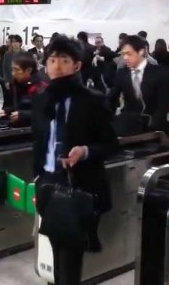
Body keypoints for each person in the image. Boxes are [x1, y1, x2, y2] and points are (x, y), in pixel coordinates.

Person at [32, 36, 118, 285]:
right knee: (55, 246)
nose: (56, 66)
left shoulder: (92, 100)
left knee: (70, 256)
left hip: (78, 186)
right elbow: (38, 141)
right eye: (52, 60)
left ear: (77, 65)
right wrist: (37, 176)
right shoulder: (42, 99)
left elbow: (111, 144)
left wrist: (86, 151)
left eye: (64, 60)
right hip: (47, 182)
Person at [109, 35, 169, 136]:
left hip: (154, 129)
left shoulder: (160, 73)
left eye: (129, 54)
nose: (125, 58)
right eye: (123, 54)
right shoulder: (121, 74)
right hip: (128, 127)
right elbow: (111, 99)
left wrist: (152, 125)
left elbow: (163, 105)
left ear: (141, 51)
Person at [1, 52, 45, 127]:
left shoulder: (40, 86)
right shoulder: (16, 83)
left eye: (17, 70)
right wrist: (7, 111)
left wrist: (23, 115)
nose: (13, 73)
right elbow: (20, 106)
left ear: (28, 70)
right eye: (12, 69)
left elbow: (44, 113)